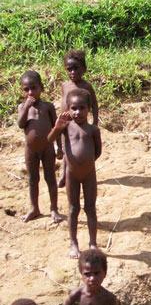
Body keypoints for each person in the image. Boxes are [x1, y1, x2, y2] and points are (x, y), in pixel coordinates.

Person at [47, 89, 101, 258]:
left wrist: (86, 163)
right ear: (68, 109)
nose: (78, 112)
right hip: (71, 174)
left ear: (89, 109)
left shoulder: (93, 130)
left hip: (89, 175)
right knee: (73, 209)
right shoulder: (66, 127)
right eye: (74, 108)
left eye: (82, 108)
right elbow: (49, 139)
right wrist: (57, 128)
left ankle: (93, 243)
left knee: (90, 208)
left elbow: (98, 151)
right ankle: (74, 243)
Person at [17, 71, 62, 224]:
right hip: (31, 150)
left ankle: (54, 208)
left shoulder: (48, 107)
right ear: (22, 91)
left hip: (47, 148)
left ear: (41, 88)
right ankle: (34, 208)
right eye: (26, 89)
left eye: (34, 88)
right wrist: (27, 107)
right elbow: (21, 124)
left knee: (50, 178)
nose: (30, 92)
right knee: (32, 179)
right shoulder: (22, 107)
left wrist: (60, 148)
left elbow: (57, 127)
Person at [58, 49, 98, 189]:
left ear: (84, 69)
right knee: (65, 149)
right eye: (69, 69)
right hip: (66, 123)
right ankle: (64, 174)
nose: (72, 72)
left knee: (77, 148)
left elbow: (94, 103)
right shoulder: (65, 86)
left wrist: (95, 121)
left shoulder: (86, 86)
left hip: (80, 123)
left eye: (76, 68)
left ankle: (83, 172)